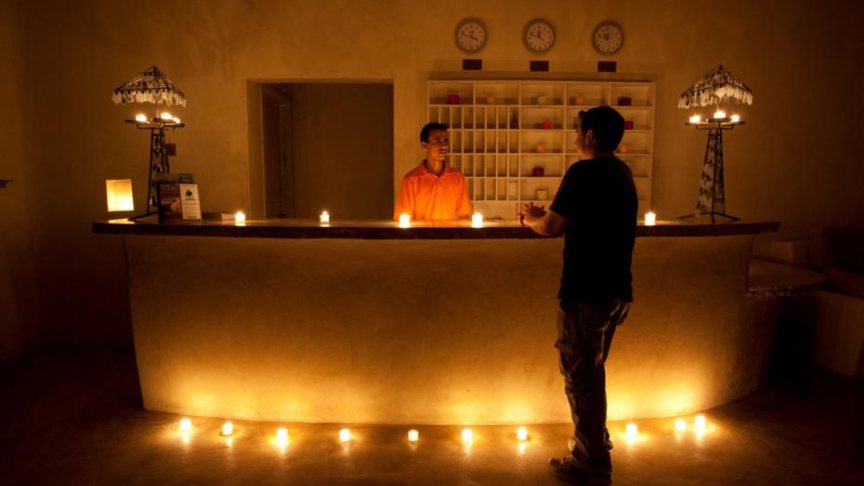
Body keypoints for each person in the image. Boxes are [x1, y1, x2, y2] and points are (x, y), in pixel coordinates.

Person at [520, 106, 637, 485]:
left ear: (589, 136)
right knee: (593, 371)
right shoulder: (622, 172)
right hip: (616, 290)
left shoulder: (583, 172)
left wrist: (529, 218)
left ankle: (591, 460)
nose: (574, 138)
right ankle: (595, 441)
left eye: (577, 131)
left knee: (580, 376)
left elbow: (551, 227)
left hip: (586, 290)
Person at [394, 122, 472, 221]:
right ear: (424, 146)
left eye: (445, 141)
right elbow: (402, 218)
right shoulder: (411, 180)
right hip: (420, 236)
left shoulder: (456, 177)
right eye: (438, 141)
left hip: (448, 235)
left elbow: (464, 215)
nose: (444, 146)